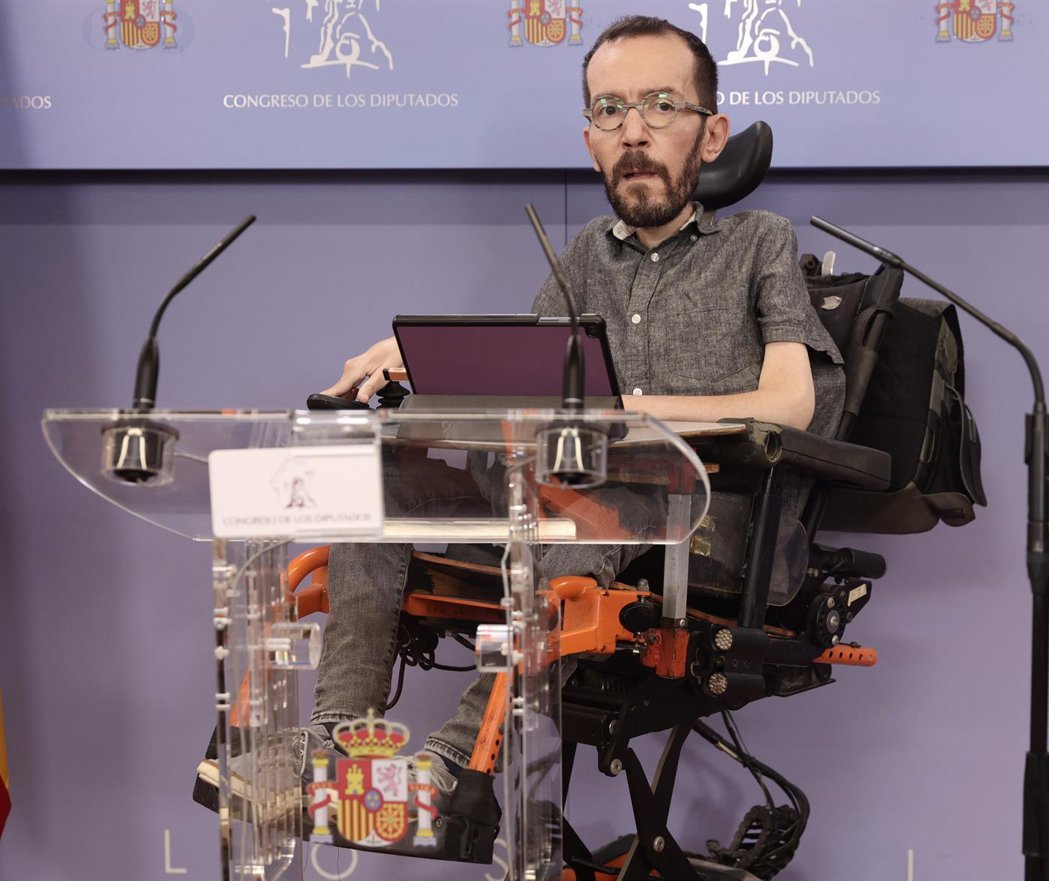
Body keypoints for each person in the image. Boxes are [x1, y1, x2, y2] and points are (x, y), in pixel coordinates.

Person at [200, 14, 844, 847]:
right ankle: (335, 740)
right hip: (557, 495)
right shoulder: (585, 254)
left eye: (660, 106)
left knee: (585, 513)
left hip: (693, 518)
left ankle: (453, 764)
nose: (635, 132)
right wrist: (417, 364)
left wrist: (624, 407)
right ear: (590, 140)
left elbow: (789, 402)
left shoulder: (759, 243)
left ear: (711, 134)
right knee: (372, 486)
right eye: (610, 111)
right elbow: (525, 393)